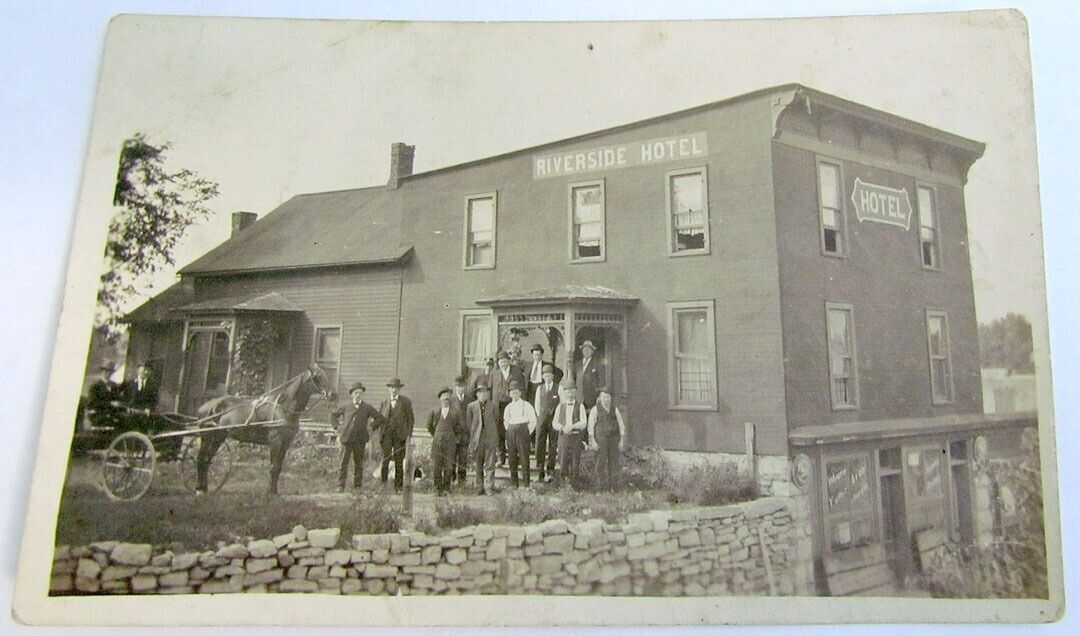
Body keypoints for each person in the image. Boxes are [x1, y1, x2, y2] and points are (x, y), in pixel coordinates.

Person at [331, 382, 385, 492]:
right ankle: (340, 485)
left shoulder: (367, 407)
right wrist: (337, 427)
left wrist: (371, 427)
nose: (358, 395)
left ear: (363, 394)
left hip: (360, 440)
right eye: (356, 392)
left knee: (359, 464)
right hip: (346, 439)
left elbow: (380, 418)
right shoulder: (346, 406)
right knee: (343, 463)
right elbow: (333, 415)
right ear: (352, 394)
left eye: (360, 393)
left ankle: (357, 486)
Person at [377, 377, 414, 492]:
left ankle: (398, 487)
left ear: (399, 389)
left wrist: (408, 435)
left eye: (396, 388)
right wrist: (379, 435)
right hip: (386, 435)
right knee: (385, 460)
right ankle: (383, 485)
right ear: (389, 389)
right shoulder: (384, 403)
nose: (394, 390)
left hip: (400, 436)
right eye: (392, 388)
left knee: (399, 461)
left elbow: (411, 420)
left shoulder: (406, 402)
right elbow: (379, 419)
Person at [588, 386, 627, 491]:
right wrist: (593, 442)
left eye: (608, 397)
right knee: (600, 463)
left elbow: (621, 426)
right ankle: (600, 488)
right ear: (600, 398)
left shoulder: (615, 409)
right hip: (601, 439)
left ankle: (614, 487)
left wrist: (622, 441)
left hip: (613, 439)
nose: (606, 400)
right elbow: (590, 428)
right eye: (604, 397)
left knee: (614, 463)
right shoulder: (595, 409)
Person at [427, 387, 464, 496]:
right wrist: (437, 434)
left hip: (450, 440)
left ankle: (447, 488)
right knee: (437, 465)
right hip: (437, 440)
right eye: (443, 396)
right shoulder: (435, 411)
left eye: (448, 396)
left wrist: (452, 434)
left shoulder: (455, 412)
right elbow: (429, 426)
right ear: (440, 399)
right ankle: (437, 488)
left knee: (449, 465)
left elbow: (460, 426)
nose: (446, 398)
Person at [489, 351, 524, 466]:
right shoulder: (494, 373)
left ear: (509, 361)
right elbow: (490, 390)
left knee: (513, 431)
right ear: (498, 363)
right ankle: (501, 458)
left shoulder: (517, 372)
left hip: (512, 406)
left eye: (504, 361)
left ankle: (515, 457)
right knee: (499, 433)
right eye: (500, 362)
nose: (503, 364)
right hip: (498, 407)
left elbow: (522, 389)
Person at [551, 378, 588, 488]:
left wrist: (573, 426)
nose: (570, 393)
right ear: (565, 392)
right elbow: (554, 423)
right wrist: (562, 428)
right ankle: (564, 487)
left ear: (575, 391)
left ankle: (575, 486)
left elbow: (584, 423)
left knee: (575, 462)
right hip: (563, 437)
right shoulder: (560, 406)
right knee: (563, 462)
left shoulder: (580, 406)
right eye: (568, 391)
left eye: (572, 391)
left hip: (575, 437)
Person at [466, 382, 501, 495]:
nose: (483, 395)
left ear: (488, 394)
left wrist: (492, 433)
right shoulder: (471, 406)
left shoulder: (493, 405)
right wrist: (473, 436)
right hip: (477, 438)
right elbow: (469, 423)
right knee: (478, 463)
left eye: (485, 392)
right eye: (480, 392)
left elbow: (497, 420)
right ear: (476, 394)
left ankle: (489, 487)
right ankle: (478, 487)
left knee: (490, 463)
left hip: (490, 436)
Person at [502, 380, 538, 488]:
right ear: (509, 394)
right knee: (512, 458)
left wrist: (527, 432)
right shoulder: (508, 407)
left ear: (520, 393)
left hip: (523, 432)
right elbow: (505, 420)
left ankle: (526, 484)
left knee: (524, 458)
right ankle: (514, 483)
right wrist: (509, 430)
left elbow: (533, 420)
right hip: (511, 432)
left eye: (516, 392)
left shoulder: (526, 405)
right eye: (512, 392)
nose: (514, 394)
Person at [533, 363, 561, 483]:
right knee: (540, 443)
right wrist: (541, 415)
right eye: (545, 375)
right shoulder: (540, 388)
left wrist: (557, 417)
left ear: (553, 376)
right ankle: (540, 471)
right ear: (543, 377)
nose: (547, 377)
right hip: (542, 418)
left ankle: (550, 470)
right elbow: (537, 404)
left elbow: (562, 404)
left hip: (554, 419)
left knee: (553, 444)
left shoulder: (558, 388)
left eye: (549, 375)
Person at [448, 375, 472, 485]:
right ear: (455, 387)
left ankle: (462, 482)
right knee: (452, 457)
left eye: (462, 386)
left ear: (465, 387)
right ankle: (451, 479)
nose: (460, 388)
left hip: (465, 434)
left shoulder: (470, 399)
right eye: (458, 386)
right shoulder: (451, 401)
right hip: (454, 434)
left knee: (463, 458)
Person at [85, 362, 123, 429]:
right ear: (102, 371)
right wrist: (110, 404)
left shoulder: (114, 385)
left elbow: (118, 399)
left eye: (110, 372)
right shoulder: (95, 386)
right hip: (99, 415)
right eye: (106, 371)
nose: (108, 373)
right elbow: (92, 403)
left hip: (112, 414)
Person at [574, 340, 606, 411]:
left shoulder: (597, 364)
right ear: (582, 351)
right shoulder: (577, 364)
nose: (586, 351)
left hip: (592, 398)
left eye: (589, 349)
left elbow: (601, 381)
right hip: (579, 398)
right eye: (584, 349)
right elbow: (573, 379)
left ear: (592, 351)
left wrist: (599, 396)